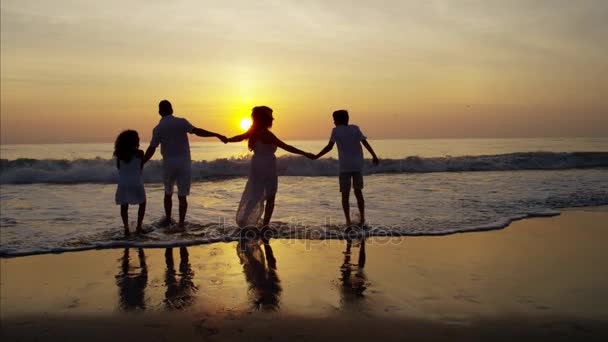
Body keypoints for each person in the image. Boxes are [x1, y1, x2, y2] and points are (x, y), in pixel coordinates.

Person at [143, 100, 227, 231]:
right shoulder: (181, 122)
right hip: (184, 163)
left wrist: (141, 162)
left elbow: (152, 148)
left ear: (159, 112)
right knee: (182, 196)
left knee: (168, 193)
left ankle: (168, 220)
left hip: (168, 164)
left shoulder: (158, 128)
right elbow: (197, 131)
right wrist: (216, 134)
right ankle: (181, 224)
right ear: (172, 109)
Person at [226, 106, 315, 229]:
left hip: (257, 164)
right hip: (267, 166)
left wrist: (227, 139)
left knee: (255, 194)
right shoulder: (266, 134)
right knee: (270, 196)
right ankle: (265, 225)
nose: (272, 119)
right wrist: (306, 153)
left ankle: (245, 221)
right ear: (265, 119)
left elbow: (238, 137)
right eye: (270, 117)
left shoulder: (253, 132)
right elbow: (286, 146)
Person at [314, 110, 379, 227]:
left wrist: (317, 156)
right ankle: (362, 218)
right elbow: (365, 143)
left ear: (338, 120)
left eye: (334, 119)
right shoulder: (355, 128)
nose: (333, 122)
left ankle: (348, 221)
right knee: (358, 192)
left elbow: (329, 147)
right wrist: (374, 155)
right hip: (357, 165)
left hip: (344, 167)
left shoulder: (336, 130)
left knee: (345, 194)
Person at [114, 130, 146, 236]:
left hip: (123, 183)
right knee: (142, 203)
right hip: (136, 182)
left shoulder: (119, 154)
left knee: (124, 205)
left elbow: (119, 168)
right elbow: (140, 167)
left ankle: (126, 228)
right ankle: (138, 227)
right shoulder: (140, 153)